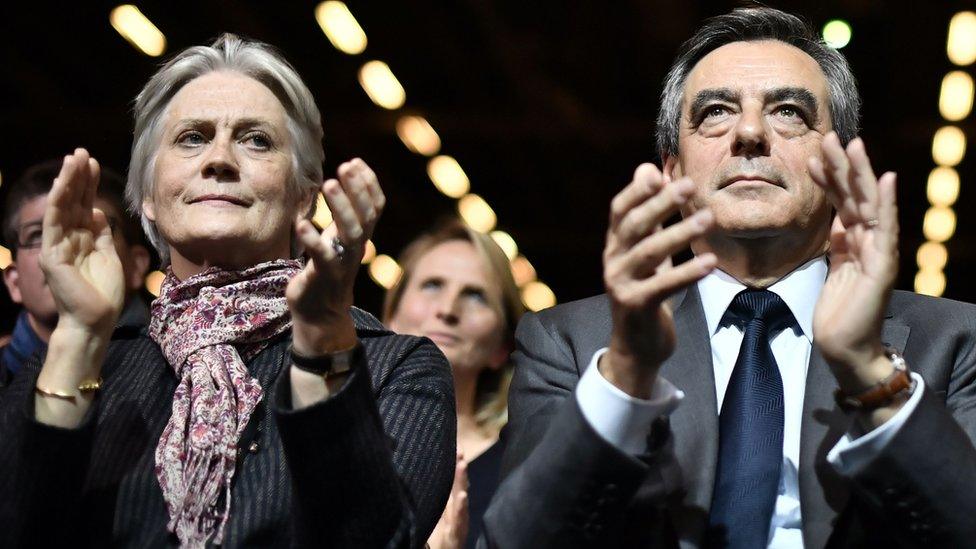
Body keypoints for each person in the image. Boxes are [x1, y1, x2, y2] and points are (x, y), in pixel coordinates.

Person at [483, 7, 976, 548]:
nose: (749, 133)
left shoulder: (955, 339)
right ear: (673, 171)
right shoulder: (571, 342)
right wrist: (627, 372)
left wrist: (866, 368)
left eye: (788, 111)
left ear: (842, 166)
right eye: (716, 112)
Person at [0, 34, 454, 547]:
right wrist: (80, 337)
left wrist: (324, 347)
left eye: (256, 139)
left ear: (303, 198)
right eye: (192, 137)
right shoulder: (84, 359)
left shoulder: (395, 368)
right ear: (148, 196)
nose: (219, 159)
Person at [384, 220, 524, 549]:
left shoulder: (520, 470)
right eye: (432, 285)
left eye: (475, 295)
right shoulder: (338, 435)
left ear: (502, 347)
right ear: (392, 314)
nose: (447, 310)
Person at [1, 161, 151, 384]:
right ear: (14, 282)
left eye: (87, 227)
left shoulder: (181, 372)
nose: (60, 246)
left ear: (136, 266)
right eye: (37, 235)